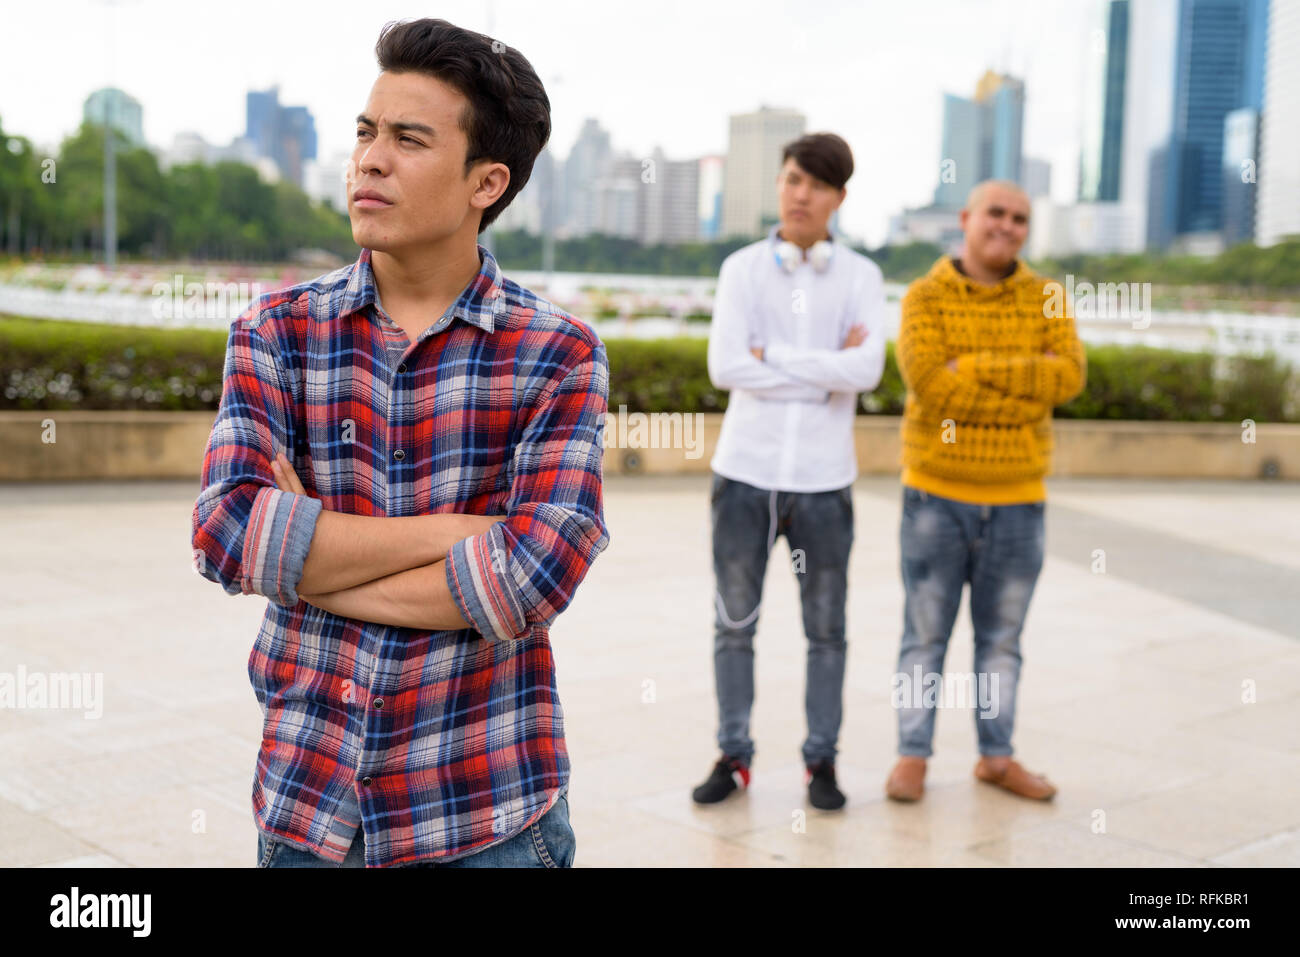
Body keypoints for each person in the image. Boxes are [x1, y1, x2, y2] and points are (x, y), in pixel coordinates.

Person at [191, 18, 609, 867]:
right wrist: (456, 534)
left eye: (408, 139)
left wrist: (309, 565)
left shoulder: (556, 352)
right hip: (311, 804)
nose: (369, 160)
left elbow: (530, 576)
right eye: (365, 132)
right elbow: (227, 533)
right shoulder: (278, 331)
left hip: (487, 814)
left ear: (485, 182)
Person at [693, 133, 887, 811]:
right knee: (733, 624)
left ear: (837, 197)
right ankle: (733, 754)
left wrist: (773, 356)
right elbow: (725, 367)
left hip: (824, 481)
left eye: (816, 184)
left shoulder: (862, 276)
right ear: (779, 185)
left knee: (826, 628)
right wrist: (824, 371)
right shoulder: (741, 269)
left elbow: (867, 370)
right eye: (792, 179)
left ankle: (822, 762)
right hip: (744, 473)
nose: (800, 194)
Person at [885, 179, 1085, 803]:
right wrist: (1018, 392)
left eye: (1020, 218)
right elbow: (928, 381)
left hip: (1019, 499)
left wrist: (969, 367)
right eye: (995, 213)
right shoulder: (925, 296)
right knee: (923, 635)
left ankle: (996, 757)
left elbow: (1068, 376)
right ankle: (912, 754)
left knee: (1001, 642)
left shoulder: (1048, 297)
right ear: (967, 219)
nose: (1007, 225)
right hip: (934, 497)